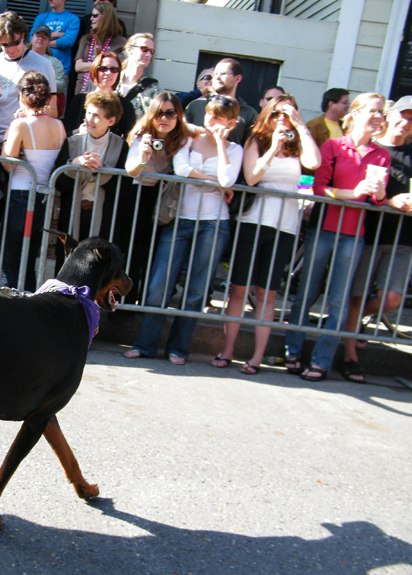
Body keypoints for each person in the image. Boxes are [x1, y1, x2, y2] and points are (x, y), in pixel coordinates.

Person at [124, 95, 243, 364]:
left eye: (219, 118)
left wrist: (221, 150)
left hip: (215, 223)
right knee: (158, 286)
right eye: (210, 115)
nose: (212, 122)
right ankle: (146, 344)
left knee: (196, 290)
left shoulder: (234, 150)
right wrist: (215, 182)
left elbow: (228, 178)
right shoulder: (188, 139)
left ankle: (179, 347)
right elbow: (181, 169)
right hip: (179, 220)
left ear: (231, 123)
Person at [283, 93, 390, 382]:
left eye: (382, 112)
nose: (379, 116)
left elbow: (379, 200)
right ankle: (292, 352)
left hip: (354, 235)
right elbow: (319, 188)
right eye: (374, 110)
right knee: (306, 293)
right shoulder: (333, 145)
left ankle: (321, 361)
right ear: (354, 114)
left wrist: (378, 193)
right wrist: (353, 194)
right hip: (324, 229)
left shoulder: (382, 154)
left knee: (339, 302)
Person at [211, 95, 321, 374]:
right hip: (253, 222)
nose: (282, 120)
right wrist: (273, 149)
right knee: (238, 290)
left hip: (285, 227)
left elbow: (314, 164)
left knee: (267, 295)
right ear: (267, 115)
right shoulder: (256, 141)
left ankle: (257, 357)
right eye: (276, 114)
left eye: (288, 115)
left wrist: (301, 127)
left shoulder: (298, 144)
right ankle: (228, 349)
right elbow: (252, 177)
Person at [341, 96, 412, 383]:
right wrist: (391, 201)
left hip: (403, 238)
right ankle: (349, 357)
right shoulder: (374, 149)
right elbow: (365, 192)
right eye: (403, 115)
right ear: (391, 116)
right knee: (356, 295)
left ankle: (353, 326)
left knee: (391, 299)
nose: (406, 122)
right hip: (369, 232)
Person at [121, 91, 194, 305]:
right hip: (138, 198)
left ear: (178, 116)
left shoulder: (182, 137)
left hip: (164, 200)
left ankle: (148, 301)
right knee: (133, 251)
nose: (164, 119)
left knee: (155, 253)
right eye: (159, 113)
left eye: (171, 113)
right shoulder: (142, 135)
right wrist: (143, 158)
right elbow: (131, 170)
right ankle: (127, 301)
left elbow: (200, 132)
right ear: (151, 115)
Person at [1, 70, 66, 291]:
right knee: (29, 259)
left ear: (21, 96)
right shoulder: (59, 126)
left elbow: (7, 164)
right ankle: (28, 301)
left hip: (21, 196)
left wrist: (9, 134)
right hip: (43, 199)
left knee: (12, 258)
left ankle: (19, 306)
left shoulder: (20, 125)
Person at [53, 89, 128, 269]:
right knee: (66, 264)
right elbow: (58, 183)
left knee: (97, 267)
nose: (89, 119)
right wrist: (74, 165)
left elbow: (123, 189)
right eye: (88, 113)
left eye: (96, 116)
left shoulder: (120, 145)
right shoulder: (72, 140)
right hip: (73, 213)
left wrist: (100, 170)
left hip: (103, 216)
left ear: (110, 120)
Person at [0, 12, 58, 138]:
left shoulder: (43, 65)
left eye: (15, 43)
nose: (11, 49)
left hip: (25, 139)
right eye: (5, 45)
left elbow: (53, 110)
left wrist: (30, 111)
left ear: (23, 36)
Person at [185, 58, 258, 146]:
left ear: (238, 78)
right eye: (215, 74)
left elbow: (249, 148)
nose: (217, 78)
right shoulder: (195, 105)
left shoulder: (249, 114)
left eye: (223, 74)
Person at [63, 51, 135, 137]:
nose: (108, 73)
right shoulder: (79, 100)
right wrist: (79, 131)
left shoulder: (126, 106)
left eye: (114, 69)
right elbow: (66, 133)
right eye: (103, 68)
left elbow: (129, 139)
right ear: (95, 71)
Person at [73, 2, 126, 95]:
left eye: (95, 15)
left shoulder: (121, 42)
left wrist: (91, 66)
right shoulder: (86, 39)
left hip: (105, 92)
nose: (91, 18)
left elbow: (120, 69)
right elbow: (78, 67)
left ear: (106, 17)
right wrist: (102, 65)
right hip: (82, 90)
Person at [116, 33, 161, 120]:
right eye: (144, 49)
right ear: (129, 49)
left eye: (151, 51)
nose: (148, 54)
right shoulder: (112, 80)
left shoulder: (154, 89)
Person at [31, 0, 80, 78]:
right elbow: (32, 39)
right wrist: (59, 34)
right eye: (43, 37)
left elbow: (68, 41)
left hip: (60, 71)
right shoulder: (41, 18)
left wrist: (42, 42)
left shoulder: (73, 19)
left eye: (45, 37)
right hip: (36, 68)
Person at [29, 24, 68, 114]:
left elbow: (61, 86)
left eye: (44, 37)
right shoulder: (22, 57)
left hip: (44, 104)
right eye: (38, 36)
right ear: (32, 37)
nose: (40, 39)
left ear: (49, 41)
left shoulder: (54, 62)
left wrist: (37, 85)